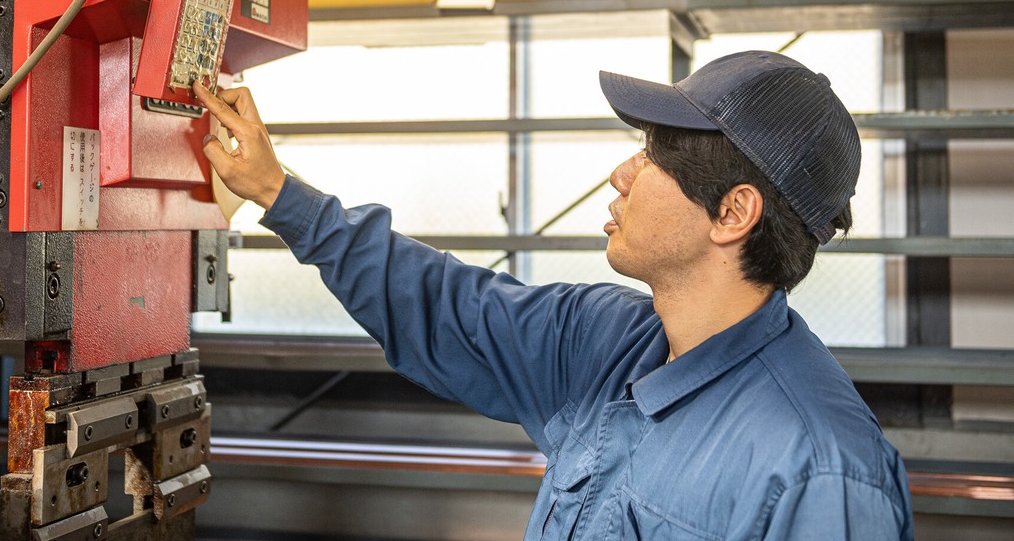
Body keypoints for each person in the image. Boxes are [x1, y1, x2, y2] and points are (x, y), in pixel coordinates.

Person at [192, 50, 914, 540]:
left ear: (733, 212)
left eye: (654, 156)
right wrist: (277, 192)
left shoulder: (823, 470)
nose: (621, 175)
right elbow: (443, 305)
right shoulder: (607, 341)